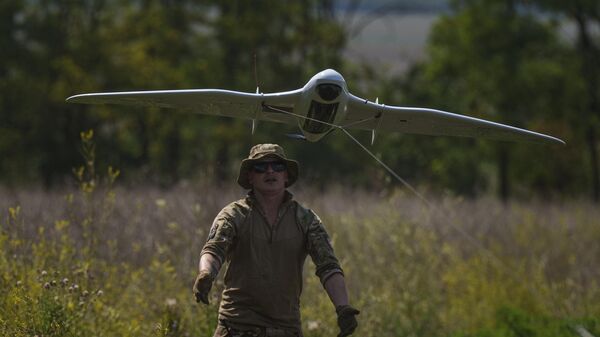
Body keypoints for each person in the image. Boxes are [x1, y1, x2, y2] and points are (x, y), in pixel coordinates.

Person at [193, 144, 359, 337]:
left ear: (286, 176)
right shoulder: (234, 215)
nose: (270, 171)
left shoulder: (305, 219)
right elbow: (214, 250)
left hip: (286, 328)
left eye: (277, 166)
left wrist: (343, 307)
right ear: (250, 177)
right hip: (237, 326)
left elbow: (329, 266)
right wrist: (206, 274)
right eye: (261, 167)